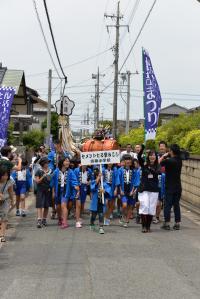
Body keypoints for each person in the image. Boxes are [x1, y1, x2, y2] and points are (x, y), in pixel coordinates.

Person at [159, 144, 182, 230]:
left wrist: (164, 156)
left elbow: (159, 162)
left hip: (169, 186)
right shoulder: (179, 160)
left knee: (167, 205)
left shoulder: (169, 161)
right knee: (176, 205)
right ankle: (177, 223)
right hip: (178, 186)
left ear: (171, 151)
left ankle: (167, 223)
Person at [138, 148, 161, 233]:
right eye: (150, 155)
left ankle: (148, 226)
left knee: (151, 209)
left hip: (153, 189)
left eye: (154, 155)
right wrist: (142, 147)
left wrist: (149, 168)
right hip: (144, 189)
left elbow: (157, 173)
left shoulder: (158, 165)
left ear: (156, 157)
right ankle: (143, 226)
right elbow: (138, 156)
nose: (152, 156)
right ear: (148, 156)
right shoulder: (144, 164)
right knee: (144, 206)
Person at [34, 157, 53, 228]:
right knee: (39, 205)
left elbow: (52, 180)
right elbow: (37, 181)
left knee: (46, 205)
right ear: (43, 163)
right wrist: (43, 176)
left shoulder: (50, 170)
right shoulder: (39, 171)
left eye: (48, 162)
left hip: (48, 190)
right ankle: (39, 220)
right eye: (46, 162)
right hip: (40, 190)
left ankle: (44, 219)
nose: (48, 164)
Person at [119, 155, 136, 228]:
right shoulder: (120, 170)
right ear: (124, 161)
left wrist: (133, 191)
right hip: (123, 191)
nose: (128, 161)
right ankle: (123, 215)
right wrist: (120, 190)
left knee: (130, 206)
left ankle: (126, 221)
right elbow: (118, 180)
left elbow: (136, 181)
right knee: (124, 205)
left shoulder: (134, 171)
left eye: (129, 159)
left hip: (131, 191)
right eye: (126, 159)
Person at [90, 168, 108, 234]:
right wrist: (97, 179)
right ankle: (92, 223)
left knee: (101, 214)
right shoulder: (93, 182)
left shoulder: (104, 183)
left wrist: (105, 191)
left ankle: (101, 227)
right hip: (95, 202)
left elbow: (108, 190)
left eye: (101, 176)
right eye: (98, 176)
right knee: (94, 215)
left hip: (101, 201)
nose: (100, 177)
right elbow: (92, 188)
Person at [153, 141, 168, 224]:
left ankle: (161, 217)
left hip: (167, 179)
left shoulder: (169, 156)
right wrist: (163, 157)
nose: (161, 148)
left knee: (164, 200)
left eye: (163, 146)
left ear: (166, 147)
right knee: (157, 199)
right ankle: (156, 216)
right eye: (160, 146)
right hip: (157, 178)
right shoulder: (156, 156)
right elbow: (156, 164)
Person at [0, 166, 15, 242]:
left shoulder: (9, 180)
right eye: (3, 175)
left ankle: (2, 235)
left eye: (7, 175)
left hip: (5, 200)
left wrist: (12, 201)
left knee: (4, 217)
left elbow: (10, 191)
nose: (5, 177)